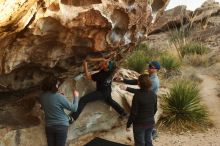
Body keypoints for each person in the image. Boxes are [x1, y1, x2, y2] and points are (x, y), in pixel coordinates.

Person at [119, 61, 160, 139]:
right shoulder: (149, 76)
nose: (149, 67)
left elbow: (142, 92)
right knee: (147, 138)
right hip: (149, 104)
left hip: (147, 102)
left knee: (140, 139)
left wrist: (127, 88)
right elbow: (137, 82)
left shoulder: (154, 81)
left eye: (151, 67)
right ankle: (151, 131)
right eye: (149, 66)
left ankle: (153, 131)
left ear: (156, 70)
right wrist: (123, 80)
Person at [39, 76, 79, 146]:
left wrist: (59, 97)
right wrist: (76, 97)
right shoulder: (59, 97)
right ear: (54, 86)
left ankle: (69, 118)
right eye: (57, 84)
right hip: (61, 126)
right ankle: (69, 118)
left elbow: (48, 104)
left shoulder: (42, 97)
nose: (58, 85)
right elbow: (74, 108)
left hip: (49, 126)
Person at [125, 74, 157, 146]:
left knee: (140, 143)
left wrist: (128, 124)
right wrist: (149, 117)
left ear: (139, 83)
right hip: (150, 122)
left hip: (139, 124)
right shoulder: (153, 94)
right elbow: (155, 109)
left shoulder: (137, 95)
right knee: (148, 141)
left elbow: (133, 113)